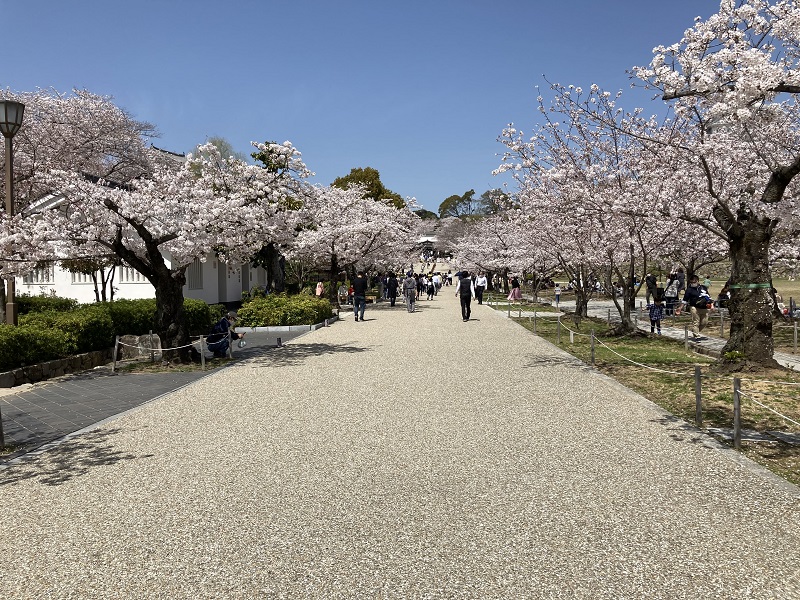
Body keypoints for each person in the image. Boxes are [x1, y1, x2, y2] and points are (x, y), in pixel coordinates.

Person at [682, 275, 712, 339]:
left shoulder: (703, 288)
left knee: (704, 322)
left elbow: (708, 297)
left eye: (694, 282)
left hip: (704, 307)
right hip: (694, 307)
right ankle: (696, 335)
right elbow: (685, 300)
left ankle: (695, 331)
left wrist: (711, 305)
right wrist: (680, 307)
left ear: (698, 281)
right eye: (691, 282)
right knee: (696, 322)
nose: (693, 284)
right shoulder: (689, 290)